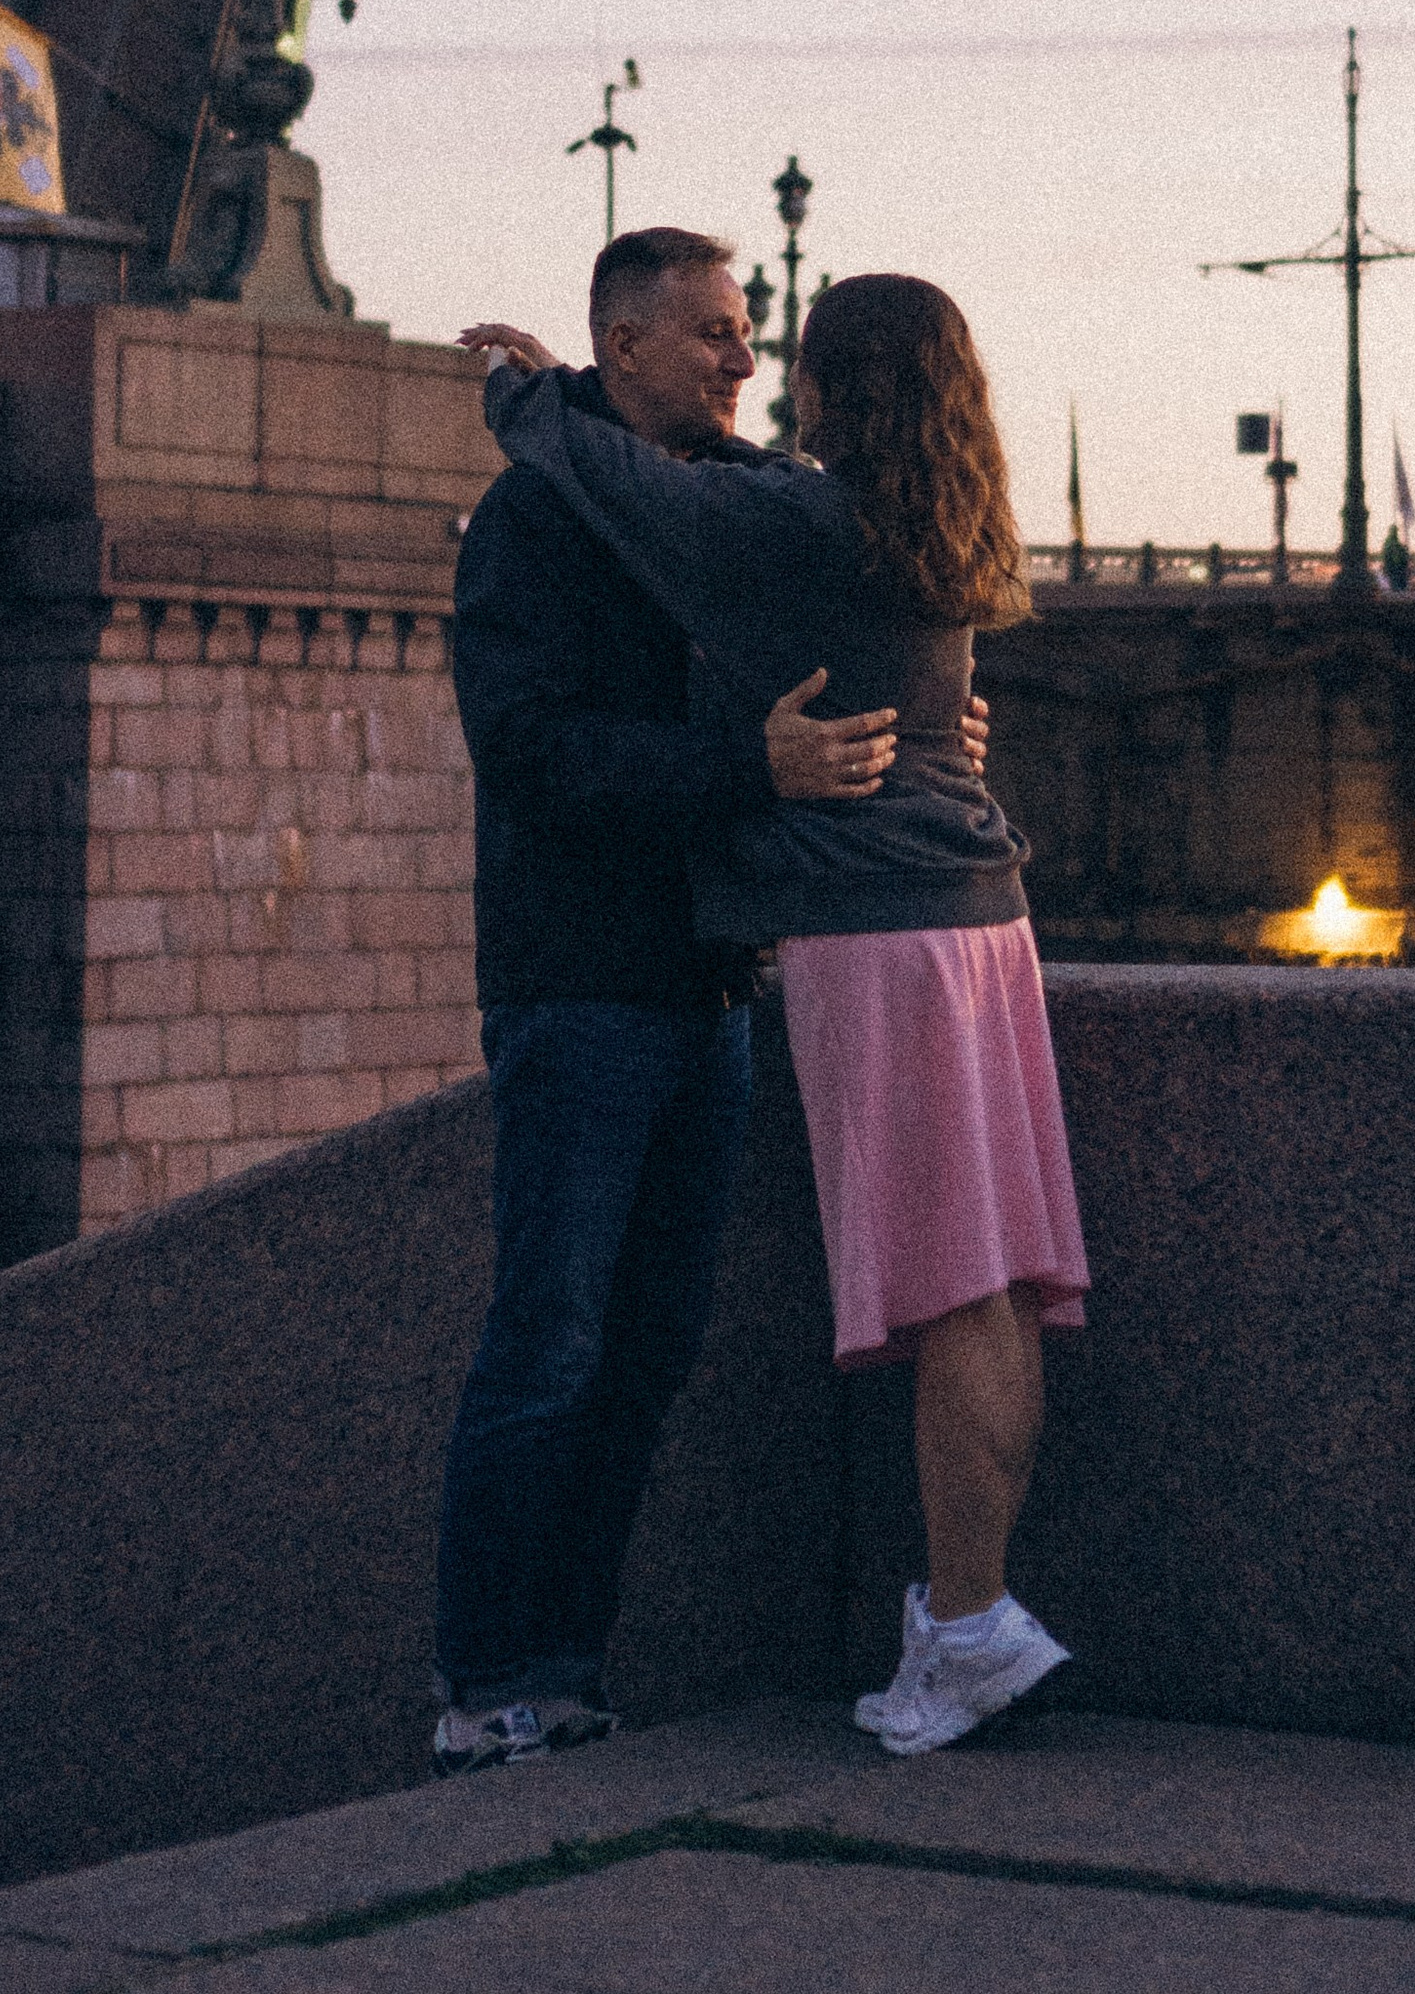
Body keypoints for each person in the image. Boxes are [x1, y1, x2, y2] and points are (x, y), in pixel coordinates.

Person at [466, 268, 1088, 1759]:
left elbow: (627, 477)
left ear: (839, 386)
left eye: (787, 352)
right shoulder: (934, 522)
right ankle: (971, 1616)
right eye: (728, 336)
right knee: (994, 1282)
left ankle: (964, 1627)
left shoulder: (796, 526)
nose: (762, 367)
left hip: (876, 935)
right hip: (984, 927)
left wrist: (525, 391)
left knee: (949, 1284)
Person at [433, 227, 915, 1775]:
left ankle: (567, 1673)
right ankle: (484, 1688)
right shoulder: (529, 526)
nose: (741, 360)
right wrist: (741, 767)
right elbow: (533, 756)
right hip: (581, 991)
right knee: (548, 1346)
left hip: (711, 988)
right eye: (711, 333)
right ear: (622, 346)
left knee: (646, 1353)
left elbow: (844, 634)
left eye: (747, 333)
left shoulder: (716, 510)